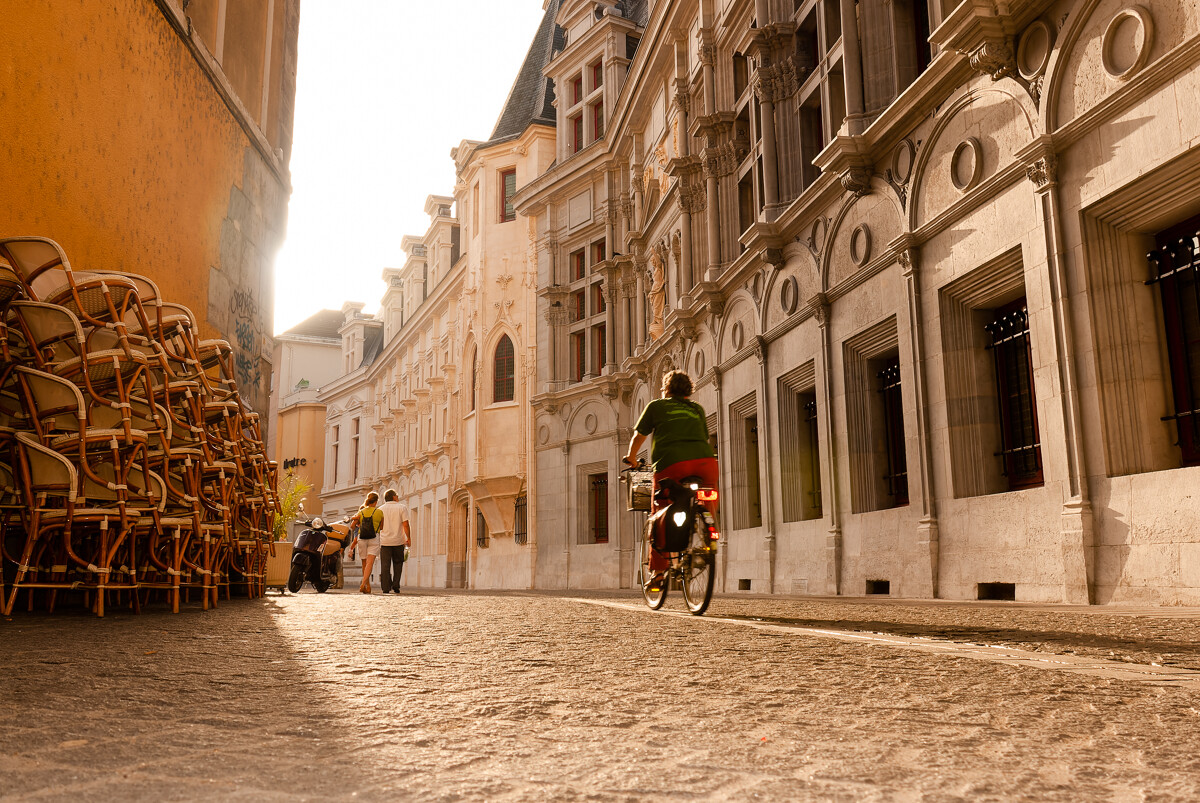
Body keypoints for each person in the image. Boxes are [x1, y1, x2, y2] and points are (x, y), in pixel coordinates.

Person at [622, 370, 718, 590]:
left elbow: (639, 436)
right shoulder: (697, 409)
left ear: (666, 389)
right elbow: (703, 437)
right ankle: (707, 537)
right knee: (706, 497)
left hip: (673, 464)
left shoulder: (656, 406)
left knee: (659, 512)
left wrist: (632, 458)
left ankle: (658, 574)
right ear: (688, 390)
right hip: (706, 462)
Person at [377, 489, 411, 594]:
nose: (398, 497)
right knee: (398, 564)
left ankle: (385, 587)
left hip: (384, 541)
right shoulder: (402, 507)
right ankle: (396, 585)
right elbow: (405, 524)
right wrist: (408, 538)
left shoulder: (380, 509)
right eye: (396, 495)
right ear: (393, 497)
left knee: (385, 565)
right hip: (398, 541)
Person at [350, 491, 383, 594]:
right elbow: (382, 527)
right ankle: (363, 584)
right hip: (374, 538)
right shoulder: (379, 512)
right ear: (376, 502)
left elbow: (352, 526)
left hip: (362, 538)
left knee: (364, 563)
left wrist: (360, 525)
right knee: (370, 563)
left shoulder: (361, 512)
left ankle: (367, 586)